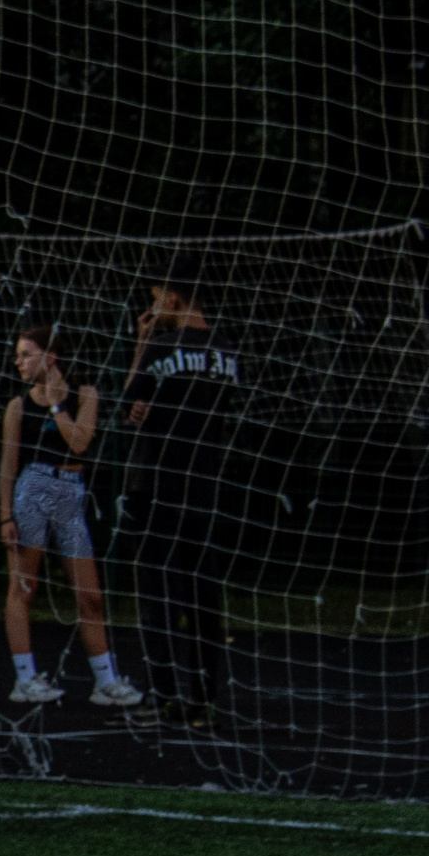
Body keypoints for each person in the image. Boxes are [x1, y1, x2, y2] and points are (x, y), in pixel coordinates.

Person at [123, 255, 243, 726]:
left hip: (158, 484)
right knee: (203, 595)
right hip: (205, 485)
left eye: (157, 302)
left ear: (171, 299)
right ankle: (205, 699)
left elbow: (131, 398)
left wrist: (142, 341)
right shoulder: (228, 351)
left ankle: (164, 695)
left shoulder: (161, 346)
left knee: (156, 592)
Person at [0, 327, 142, 708]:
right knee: (23, 588)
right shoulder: (18, 406)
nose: (19, 362)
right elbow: (8, 466)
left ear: (51, 356)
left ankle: (106, 682)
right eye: (19, 355)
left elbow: (80, 442)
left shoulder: (84, 394)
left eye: (27, 354)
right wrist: (5, 515)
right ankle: (25, 678)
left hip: (70, 491)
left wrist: (57, 404)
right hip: (34, 489)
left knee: (90, 596)